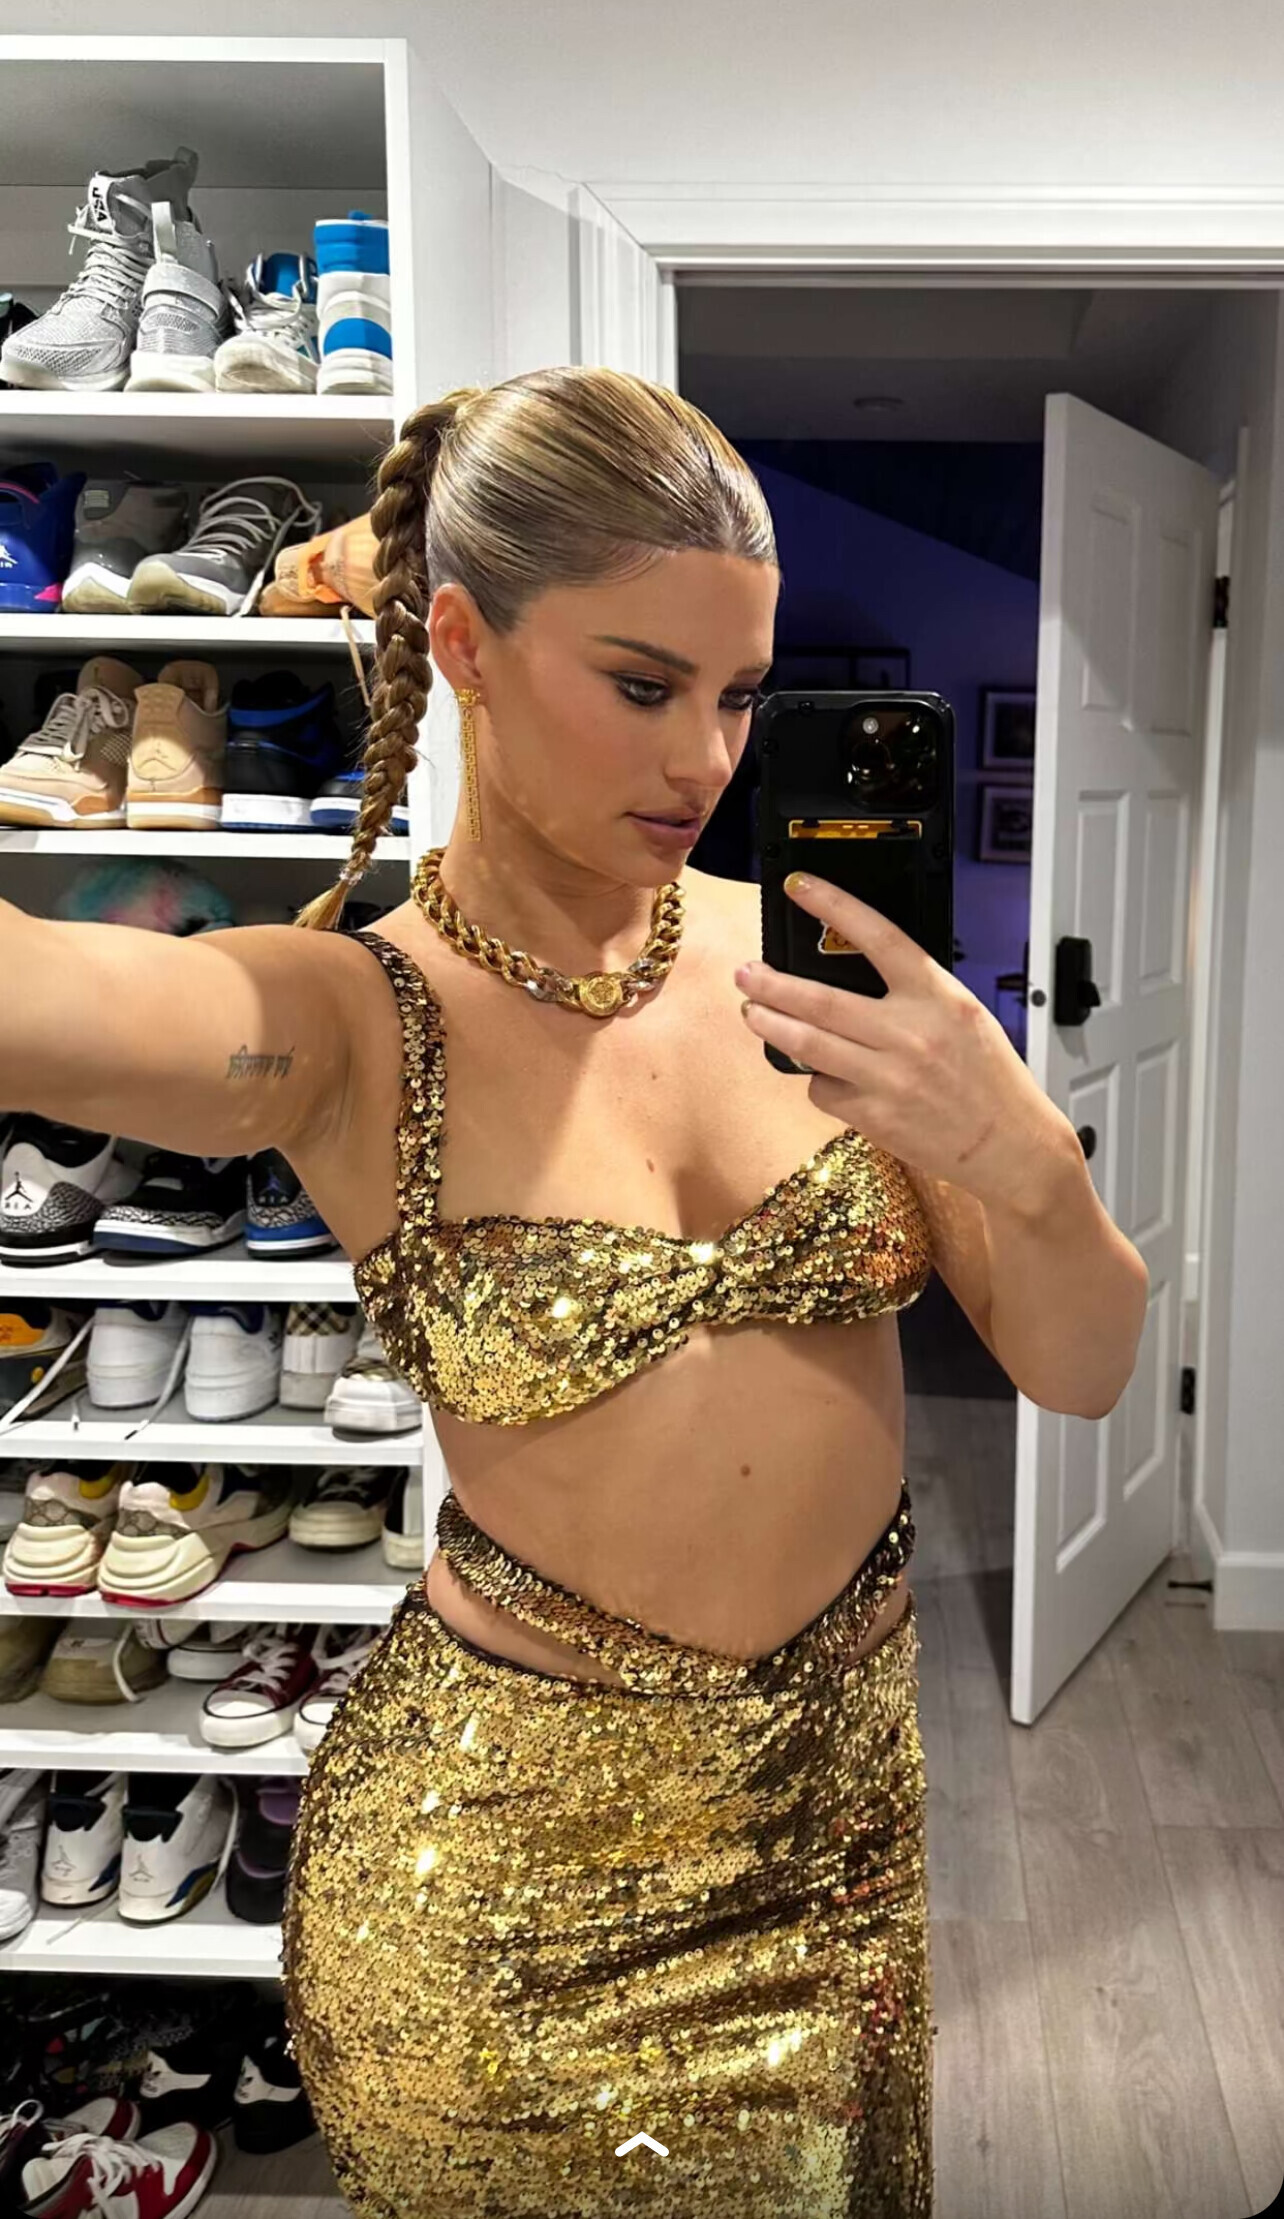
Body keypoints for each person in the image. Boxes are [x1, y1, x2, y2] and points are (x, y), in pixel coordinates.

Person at [0, 367, 1148, 2217]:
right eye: (642, 685)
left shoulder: (829, 978)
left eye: (740, 695)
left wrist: (1023, 1155)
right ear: (462, 644)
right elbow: (41, 998)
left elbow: (1088, 1369)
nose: (707, 760)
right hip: (504, 1902)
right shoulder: (349, 1023)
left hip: (839, 1845)